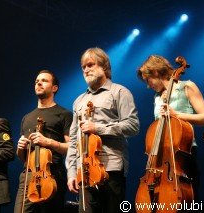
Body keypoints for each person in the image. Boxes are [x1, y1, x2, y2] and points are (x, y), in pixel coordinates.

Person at [65, 47, 140, 213]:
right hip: (84, 171)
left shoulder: (119, 92)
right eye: (83, 67)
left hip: (111, 167)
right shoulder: (79, 101)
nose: (86, 69)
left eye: (90, 65)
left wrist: (98, 128)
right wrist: (71, 172)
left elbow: (133, 126)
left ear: (104, 67)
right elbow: (73, 140)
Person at [136, 55, 204, 202]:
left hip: (183, 155)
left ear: (156, 72)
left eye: (147, 80)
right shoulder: (158, 97)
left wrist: (177, 115)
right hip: (160, 157)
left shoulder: (187, 86)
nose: (148, 86)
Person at [14, 70, 73, 213]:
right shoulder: (27, 118)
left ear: (55, 88)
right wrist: (20, 148)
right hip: (28, 176)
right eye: (36, 81)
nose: (39, 83)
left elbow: (72, 148)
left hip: (52, 175)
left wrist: (49, 142)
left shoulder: (64, 114)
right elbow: (23, 158)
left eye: (44, 80)